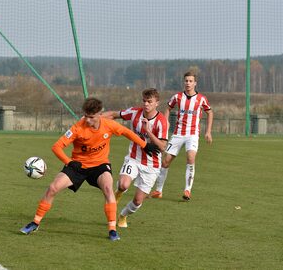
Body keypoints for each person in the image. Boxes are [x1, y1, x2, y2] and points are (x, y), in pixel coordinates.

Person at [20, 97, 158, 241]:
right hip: (78, 165)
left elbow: (126, 132)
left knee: (108, 189)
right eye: (85, 116)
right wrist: (69, 162)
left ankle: (112, 230)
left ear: (100, 114)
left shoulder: (109, 125)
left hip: (100, 165)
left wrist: (145, 145)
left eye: (91, 117)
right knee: (53, 188)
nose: (87, 120)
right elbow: (57, 147)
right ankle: (35, 223)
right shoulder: (78, 128)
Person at [102, 88, 168, 228]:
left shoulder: (162, 121)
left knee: (138, 201)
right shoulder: (134, 112)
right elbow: (114, 114)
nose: (146, 104)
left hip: (152, 165)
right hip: (133, 158)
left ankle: (123, 216)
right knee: (123, 184)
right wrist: (96, 117)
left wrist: (148, 131)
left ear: (157, 103)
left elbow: (163, 147)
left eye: (149, 102)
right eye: (144, 101)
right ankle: (118, 193)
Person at [150, 71, 213, 201]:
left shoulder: (201, 99)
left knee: (190, 157)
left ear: (195, 83)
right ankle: (158, 191)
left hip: (193, 134)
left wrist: (208, 131)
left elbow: (210, 112)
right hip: (178, 134)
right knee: (166, 161)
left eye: (190, 81)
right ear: (184, 82)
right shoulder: (177, 97)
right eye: (186, 81)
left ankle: (187, 190)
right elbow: (167, 108)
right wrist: (165, 122)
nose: (188, 83)